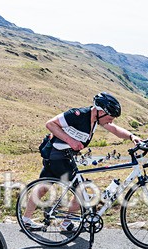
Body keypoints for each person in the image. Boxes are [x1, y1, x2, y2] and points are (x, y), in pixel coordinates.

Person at [21, 92, 141, 231]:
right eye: (109, 118)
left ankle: (26, 219)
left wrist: (132, 136)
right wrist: (71, 141)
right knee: (81, 191)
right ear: (100, 111)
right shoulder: (77, 114)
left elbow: (114, 129)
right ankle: (65, 223)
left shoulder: (96, 120)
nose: (111, 121)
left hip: (62, 156)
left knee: (43, 186)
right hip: (57, 155)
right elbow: (51, 124)